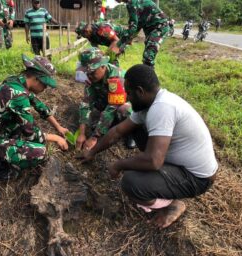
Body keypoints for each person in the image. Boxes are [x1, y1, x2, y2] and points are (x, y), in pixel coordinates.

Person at [81, 64, 218, 228]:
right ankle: (162, 183)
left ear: (140, 91)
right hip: (178, 163)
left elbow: (154, 161)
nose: (127, 96)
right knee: (135, 127)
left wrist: (119, 165)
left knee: (131, 183)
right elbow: (117, 131)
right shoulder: (150, 104)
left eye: (129, 92)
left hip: (197, 178)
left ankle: (172, 205)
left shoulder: (162, 108)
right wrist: (92, 151)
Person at [0, 54, 69, 180]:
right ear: (36, 78)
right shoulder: (18, 96)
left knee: (18, 125)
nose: (45, 88)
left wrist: (58, 127)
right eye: (45, 84)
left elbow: (39, 105)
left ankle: (2, 151)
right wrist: (56, 138)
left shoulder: (17, 82)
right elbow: (33, 134)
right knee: (40, 152)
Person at [76, 47, 135, 151]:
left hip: (128, 103)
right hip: (110, 100)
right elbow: (86, 104)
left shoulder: (115, 77)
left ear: (103, 66)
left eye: (92, 72)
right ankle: (110, 124)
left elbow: (111, 108)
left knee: (124, 111)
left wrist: (95, 137)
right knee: (97, 102)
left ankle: (133, 132)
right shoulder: (92, 77)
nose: (89, 75)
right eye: (87, 72)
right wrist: (82, 133)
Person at [112, 0, 169, 67]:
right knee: (147, 56)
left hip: (160, 27)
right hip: (151, 29)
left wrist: (119, 44)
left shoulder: (132, 3)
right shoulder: (133, 3)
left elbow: (133, 28)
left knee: (148, 56)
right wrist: (126, 42)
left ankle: (149, 76)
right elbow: (138, 25)